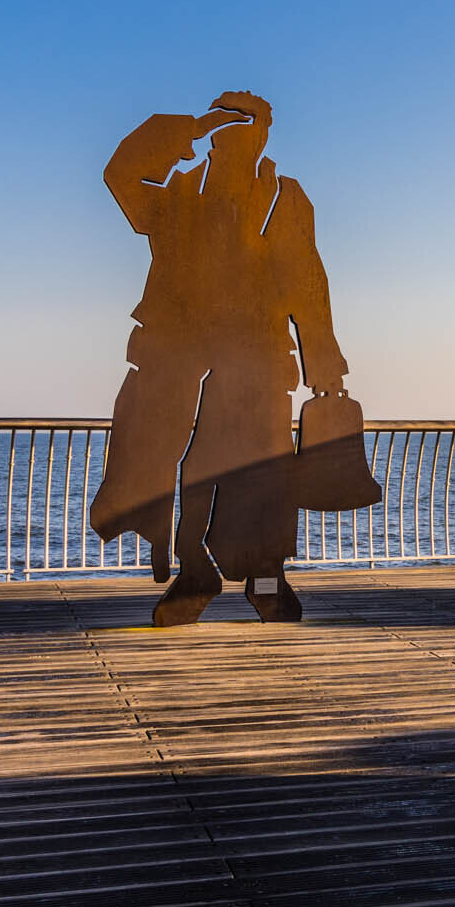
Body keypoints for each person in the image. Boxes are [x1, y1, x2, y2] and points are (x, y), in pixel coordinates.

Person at [90, 92, 351, 624]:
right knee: (175, 467)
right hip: (176, 362)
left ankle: (264, 580)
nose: (234, 139)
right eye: (224, 130)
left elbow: (309, 283)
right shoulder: (179, 197)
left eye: (249, 127)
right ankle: (193, 568)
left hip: (256, 363)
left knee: (260, 475)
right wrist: (187, 127)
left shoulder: (284, 198)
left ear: (264, 136)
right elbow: (121, 174)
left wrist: (324, 365)